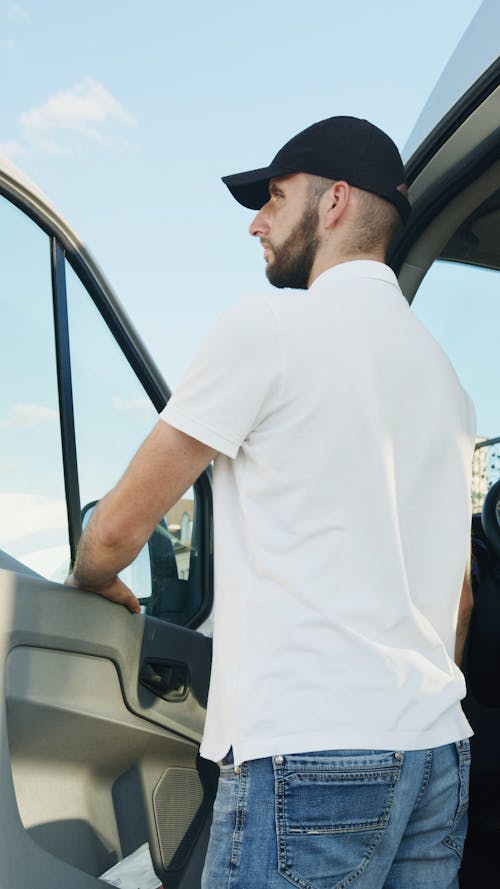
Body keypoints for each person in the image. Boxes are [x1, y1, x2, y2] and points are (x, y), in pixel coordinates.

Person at [66, 116, 476, 888]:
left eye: (275, 198)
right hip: (437, 755)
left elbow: (118, 526)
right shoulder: (448, 383)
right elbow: (458, 595)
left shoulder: (269, 328)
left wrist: (92, 575)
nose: (256, 222)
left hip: (313, 753)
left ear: (335, 202)